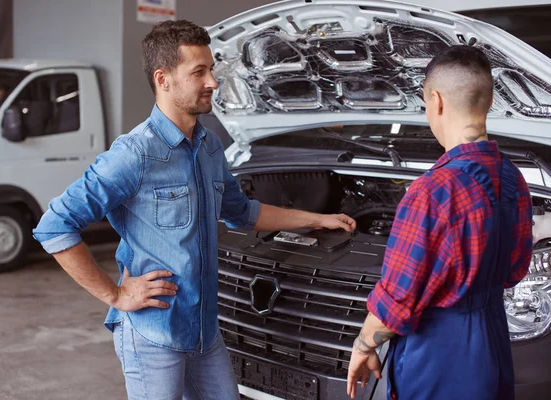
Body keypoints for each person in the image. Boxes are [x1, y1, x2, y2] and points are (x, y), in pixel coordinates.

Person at [33, 20, 356, 400]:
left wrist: (317, 219)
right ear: (163, 79)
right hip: (154, 335)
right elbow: (54, 226)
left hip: (205, 332)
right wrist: (115, 295)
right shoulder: (134, 154)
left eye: (212, 70)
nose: (213, 82)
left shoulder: (210, 148)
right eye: (199, 72)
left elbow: (244, 212)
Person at [346, 45, 533, 400]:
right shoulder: (512, 177)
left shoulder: (432, 192)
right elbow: (514, 271)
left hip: (438, 357)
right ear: (490, 101)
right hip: (494, 344)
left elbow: (394, 305)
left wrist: (362, 345)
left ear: (436, 100)